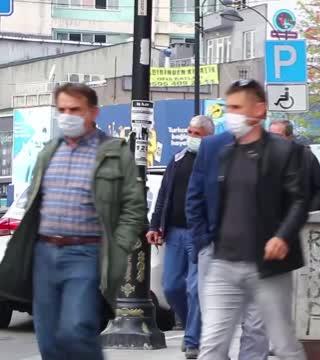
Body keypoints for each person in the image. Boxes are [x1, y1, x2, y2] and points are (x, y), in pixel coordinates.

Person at [0, 83, 147, 359]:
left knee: (77, 329)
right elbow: (34, 201)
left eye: (75, 109)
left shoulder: (114, 153)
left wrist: (118, 248)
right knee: (48, 337)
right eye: (62, 109)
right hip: (44, 254)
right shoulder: (49, 151)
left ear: (93, 112)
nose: (67, 115)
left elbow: (134, 207)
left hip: (85, 254)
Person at [188, 79, 307, 360]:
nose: (231, 114)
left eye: (237, 107)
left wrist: (282, 236)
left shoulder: (284, 151)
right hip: (223, 263)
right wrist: (205, 241)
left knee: (281, 343)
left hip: (267, 266)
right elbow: (198, 197)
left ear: (259, 110)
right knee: (212, 345)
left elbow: (299, 200)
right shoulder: (222, 151)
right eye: (228, 107)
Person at [146, 115, 214, 359]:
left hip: (201, 235)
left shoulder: (215, 162)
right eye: (190, 132)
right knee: (172, 287)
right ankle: (192, 326)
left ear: (208, 136)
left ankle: (193, 339)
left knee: (195, 288)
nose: (192, 137)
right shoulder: (177, 159)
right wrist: (155, 225)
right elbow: (164, 194)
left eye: (197, 134)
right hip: (174, 232)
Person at [269, 119, 320, 212]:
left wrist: (309, 215)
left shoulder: (305, 157)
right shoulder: (264, 157)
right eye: (270, 135)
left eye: (278, 136)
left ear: (290, 136)